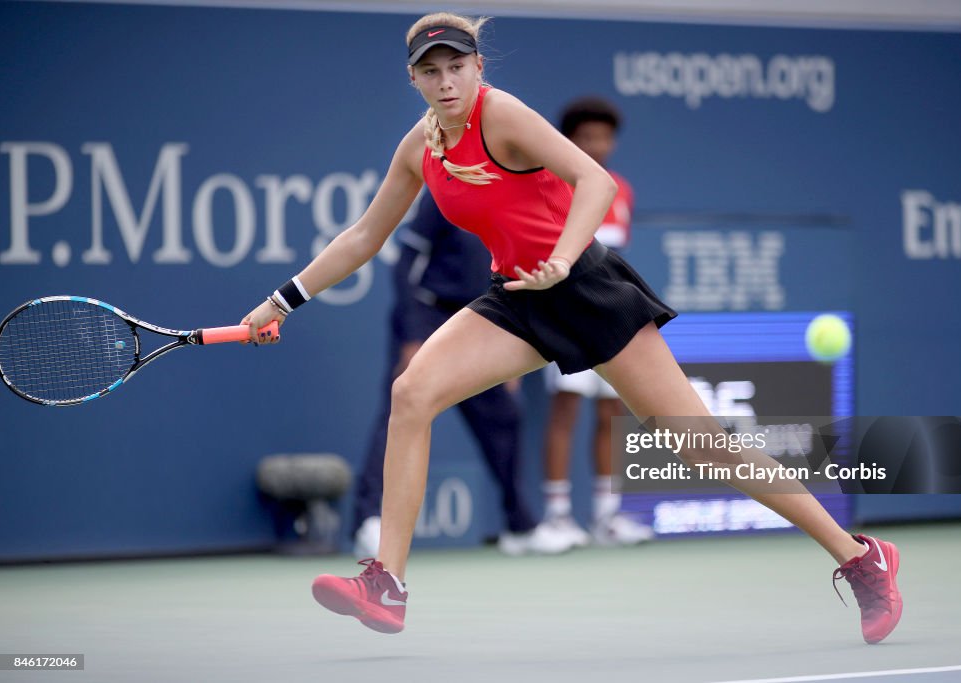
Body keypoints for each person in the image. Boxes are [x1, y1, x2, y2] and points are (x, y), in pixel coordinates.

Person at [243, 12, 903, 644]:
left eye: (456, 66)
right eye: (430, 70)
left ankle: (860, 557)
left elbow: (594, 179)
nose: (445, 80)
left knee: (703, 448)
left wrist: (561, 256)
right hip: (517, 297)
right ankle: (386, 583)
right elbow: (363, 235)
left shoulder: (501, 115)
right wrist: (283, 299)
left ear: (477, 68)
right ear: (412, 79)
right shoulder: (420, 147)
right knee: (412, 393)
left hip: (585, 286)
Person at [352, 190, 573, 557]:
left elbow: (515, 273)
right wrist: (411, 335)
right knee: (402, 413)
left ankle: (519, 526)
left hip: (482, 319)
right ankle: (368, 520)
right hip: (428, 314)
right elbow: (406, 262)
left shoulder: (515, 199)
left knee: (503, 418)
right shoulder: (445, 195)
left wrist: (511, 345)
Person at [539, 97, 654, 548]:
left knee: (612, 413)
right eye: (586, 137)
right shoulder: (552, 183)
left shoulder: (620, 189)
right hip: (565, 316)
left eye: (604, 137)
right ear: (569, 141)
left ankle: (607, 516)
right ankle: (558, 516)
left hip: (611, 318)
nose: (596, 145)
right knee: (565, 411)